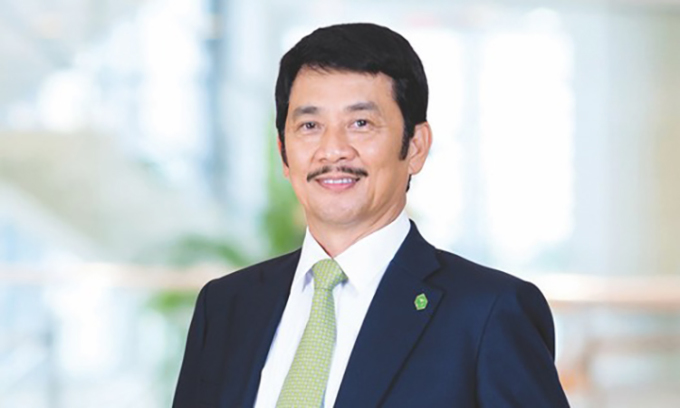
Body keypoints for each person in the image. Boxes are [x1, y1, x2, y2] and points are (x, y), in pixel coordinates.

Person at [173, 23, 570, 408]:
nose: (333, 150)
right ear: (284, 153)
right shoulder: (226, 306)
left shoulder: (489, 313)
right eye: (310, 125)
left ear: (415, 147)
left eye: (360, 123)